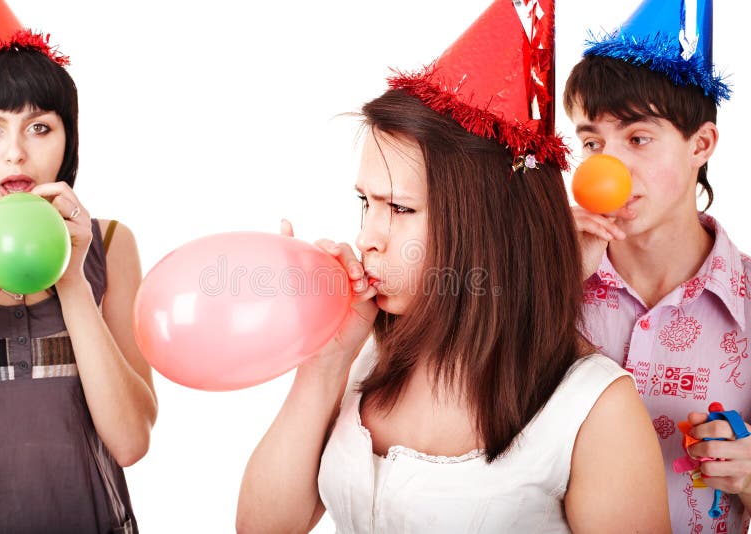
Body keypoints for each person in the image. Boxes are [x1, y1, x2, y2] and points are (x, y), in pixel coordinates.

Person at [237, 1, 670, 532]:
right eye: (364, 203)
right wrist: (324, 361)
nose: (368, 238)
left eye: (399, 208)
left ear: (486, 224)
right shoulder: (366, 358)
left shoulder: (595, 409)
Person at [0, 0, 156, 531]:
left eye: (39, 127)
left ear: (67, 141)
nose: (16, 154)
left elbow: (131, 443)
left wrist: (73, 282)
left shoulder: (111, 244)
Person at [563, 0, 751, 531]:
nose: (610, 167)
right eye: (593, 142)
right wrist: (549, 284)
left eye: (638, 138)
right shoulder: (552, 284)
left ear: (702, 144)